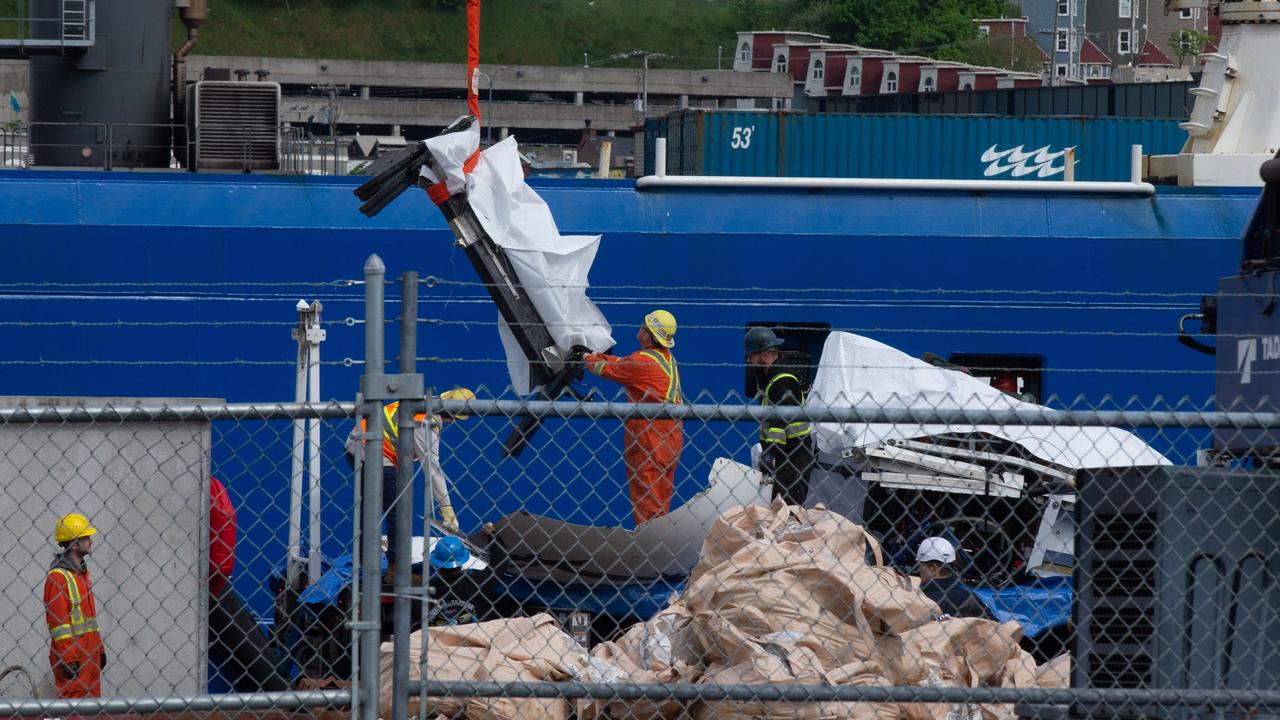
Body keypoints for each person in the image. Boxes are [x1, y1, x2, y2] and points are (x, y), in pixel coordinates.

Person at [346, 388, 474, 578]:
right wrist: (446, 507)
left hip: (356, 445)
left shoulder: (421, 402)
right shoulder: (426, 422)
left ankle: (364, 561)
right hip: (376, 453)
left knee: (371, 512)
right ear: (453, 418)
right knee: (397, 512)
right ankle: (395, 570)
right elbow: (432, 468)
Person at [581, 310, 684, 526]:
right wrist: (595, 354)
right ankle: (658, 544)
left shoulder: (642, 362)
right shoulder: (664, 358)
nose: (640, 328)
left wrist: (585, 358)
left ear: (648, 334)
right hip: (671, 436)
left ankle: (650, 547)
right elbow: (623, 362)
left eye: (644, 326)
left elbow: (608, 369)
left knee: (647, 497)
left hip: (649, 437)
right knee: (661, 495)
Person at [744, 327, 815, 506]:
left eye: (751, 356)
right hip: (786, 457)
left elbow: (778, 423)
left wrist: (769, 455)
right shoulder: (772, 377)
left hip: (793, 458)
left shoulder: (783, 381)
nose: (749, 361)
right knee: (779, 508)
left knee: (787, 510)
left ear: (766, 354)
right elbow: (751, 391)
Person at [44, 512, 106, 698]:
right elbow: (58, 624)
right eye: (86, 537)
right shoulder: (58, 578)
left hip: (90, 653)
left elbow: (90, 620)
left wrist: (99, 649)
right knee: (74, 708)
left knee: (93, 708)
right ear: (74, 543)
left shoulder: (81, 575)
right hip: (75, 657)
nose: (91, 541)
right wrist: (68, 659)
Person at [916, 537, 991, 619]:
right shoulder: (967, 597)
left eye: (921, 565)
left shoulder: (920, 598)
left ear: (933, 568)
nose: (919, 569)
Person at [426, 537, 493, 627]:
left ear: (436, 564)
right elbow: (500, 562)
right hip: (472, 638)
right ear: (462, 561)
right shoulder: (477, 580)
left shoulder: (426, 591)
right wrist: (492, 535)